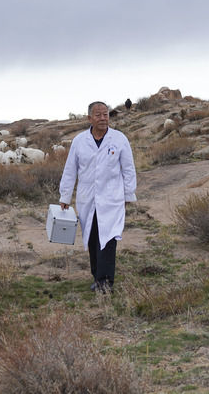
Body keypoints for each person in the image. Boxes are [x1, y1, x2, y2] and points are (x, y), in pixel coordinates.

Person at [59, 101, 137, 292]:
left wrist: (128, 194)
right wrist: (65, 196)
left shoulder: (119, 139)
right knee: (93, 237)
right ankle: (97, 276)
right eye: (98, 115)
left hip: (112, 198)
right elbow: (70, 170)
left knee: (108, 238)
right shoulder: (79, 141)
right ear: (89, 118)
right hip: (87, 199)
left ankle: (105, 282)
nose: (103, 118)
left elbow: (128, 169)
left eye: (106, 114)